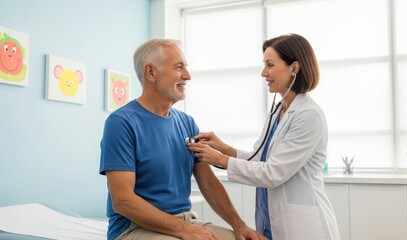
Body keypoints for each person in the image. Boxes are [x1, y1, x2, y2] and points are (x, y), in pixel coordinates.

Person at [99, 38, 266, 240]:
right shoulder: (121, 123)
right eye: (179, 67)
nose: (187, 76)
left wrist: (240, 226)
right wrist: (185, 230)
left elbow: (209, 183)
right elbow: (123, 200)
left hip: (185, 220)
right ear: (151, 72)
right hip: (134, 228)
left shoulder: (187, 123)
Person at [187, 34, 340, 240]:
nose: (263, 73)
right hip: (271, 219)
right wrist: (223, 148)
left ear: (294, 68)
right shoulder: (278, 111)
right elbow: (259, 159)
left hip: (302, 226)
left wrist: (220, 159)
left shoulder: (308, 116)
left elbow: (273, 173)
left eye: (270, 65)